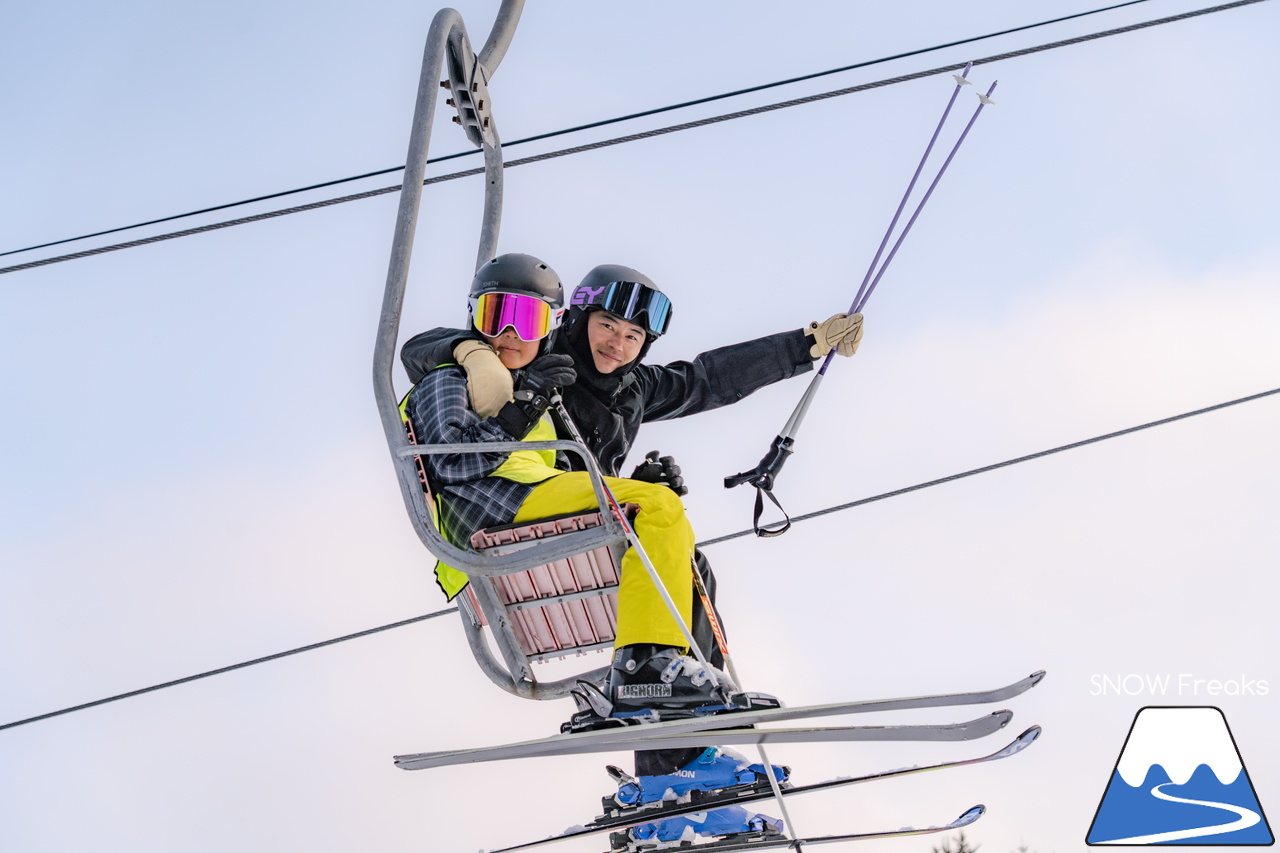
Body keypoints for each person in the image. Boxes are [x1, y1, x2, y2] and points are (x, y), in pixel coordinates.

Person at [401, 262, 864, 839]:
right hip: (513, 508)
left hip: (565, 515)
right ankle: (646, 669)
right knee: (658, 512)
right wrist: (477, 355)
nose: (617, 345)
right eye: (607, 327)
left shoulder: (633, 386)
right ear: (576, 318)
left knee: (694, 574)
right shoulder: (536, 358)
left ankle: (676, 769)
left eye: (633, 338)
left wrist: (805, 346)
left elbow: (708, 379)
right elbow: (424, 353)